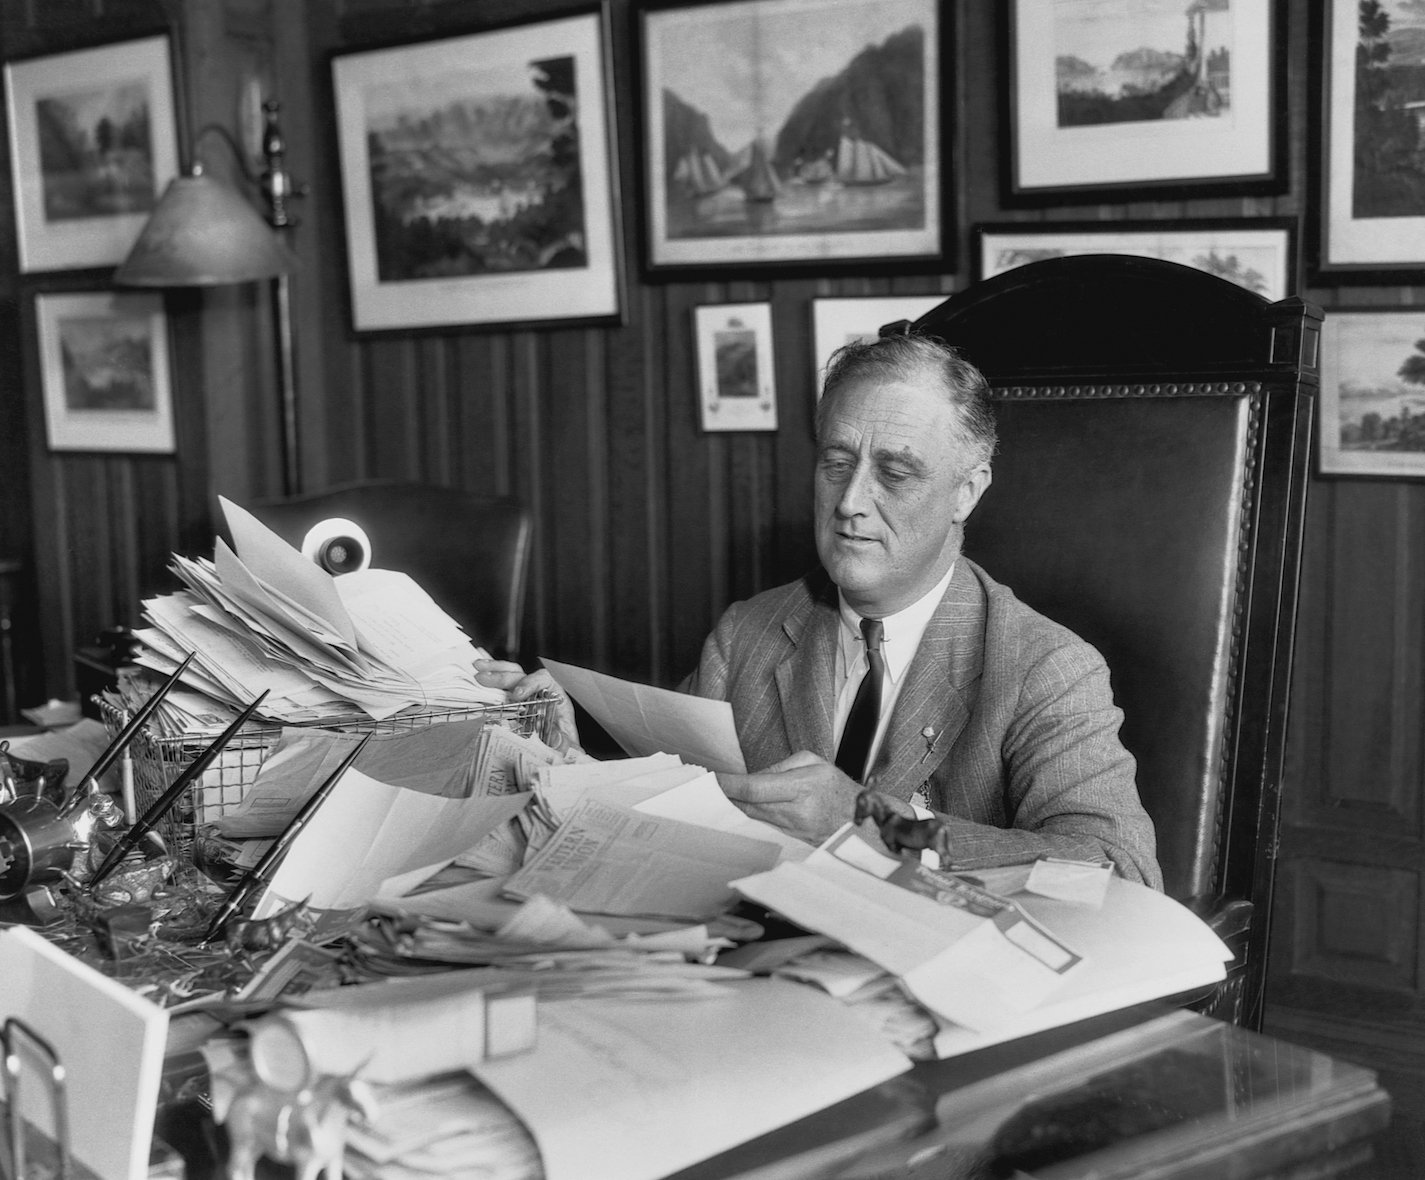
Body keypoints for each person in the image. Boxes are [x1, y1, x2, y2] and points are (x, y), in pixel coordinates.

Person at [478, 333, 1162, 888]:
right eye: (837, 462)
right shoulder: (746, 635)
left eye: (893, 473)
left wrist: (873, 824)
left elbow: (1120, 876)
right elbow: (679, 811)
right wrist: (575, 765)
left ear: (966, 491)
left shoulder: (1046, 667)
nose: (849, 502)